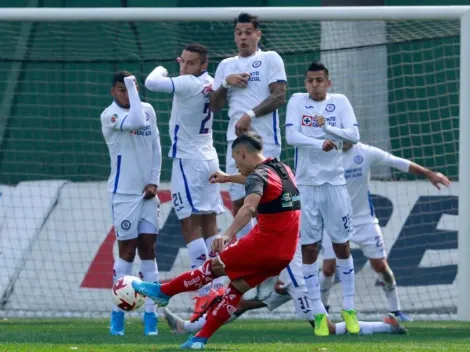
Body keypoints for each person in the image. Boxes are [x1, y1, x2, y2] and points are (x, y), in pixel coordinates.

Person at [133, 132, 300, 349]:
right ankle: (200, 339)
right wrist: (229, 178)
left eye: (235, 159)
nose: (236, 165)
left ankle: (163, 292)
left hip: (265, 244)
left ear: (242, 153)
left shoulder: (257, 177)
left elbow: (249, 207)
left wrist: (226, 234)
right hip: (284, 254)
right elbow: (260, 182)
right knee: (236, 288)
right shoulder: (282, 169)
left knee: (212, 267)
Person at [162, 240, 408, 337]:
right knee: (241, 300)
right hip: (287, 271)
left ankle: (386, 326)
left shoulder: (275, 197)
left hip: (295, 279)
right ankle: (187, 327)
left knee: (327, 330)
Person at [320, 142, 451, 321]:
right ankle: (322, 312)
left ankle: (396, 311)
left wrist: (428, 173)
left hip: (364, 221)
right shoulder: (326, 153)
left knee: (381, 266)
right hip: (335, 221)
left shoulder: (365, 152)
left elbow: (397, 162)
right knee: (328, 269)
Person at [144, 43, 226, 321]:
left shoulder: (189, 83)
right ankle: (216, 288)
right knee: (209, 223)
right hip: (208, 156)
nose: (185, 67)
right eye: (183, 62)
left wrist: (164, 68)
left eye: (191, 63)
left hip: (189, 161)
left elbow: (151, 82)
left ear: (202, 65)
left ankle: (204, 291)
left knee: (188, 223)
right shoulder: (209, 82)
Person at [285, 61, 360, 334]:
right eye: (309, 80)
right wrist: (319, 143)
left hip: (335, 184)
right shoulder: (296, 101)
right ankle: (318, 313)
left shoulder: (340, 102)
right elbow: (291, 136)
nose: (314, 85)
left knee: (341, 245)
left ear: (328, 82)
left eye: (319, 80)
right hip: (305, 185)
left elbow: (354, 134)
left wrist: (328, 129)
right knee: (308, 248)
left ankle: (349, 308)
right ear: (305, 83)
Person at [100, 71, 161, 336]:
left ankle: (152, 317)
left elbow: (156, 145)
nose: (126, 93)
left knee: (149, 248)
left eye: (130, 88)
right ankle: (118, 316)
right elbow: (134, 119)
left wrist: (155, 181)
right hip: (123, 194)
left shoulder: (147, 109)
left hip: (147, 193)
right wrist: (131, 84)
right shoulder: (109, 115)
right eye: (122, 89)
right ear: (114, 91)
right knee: (127, 251)